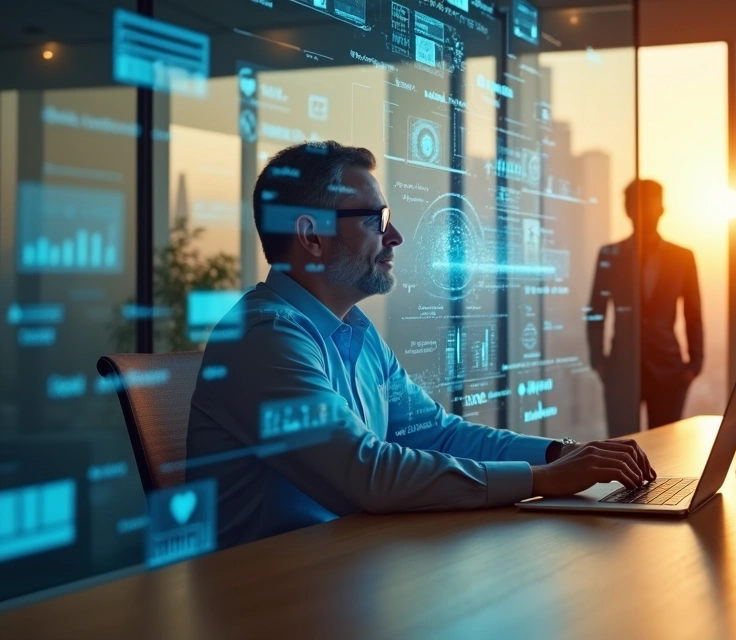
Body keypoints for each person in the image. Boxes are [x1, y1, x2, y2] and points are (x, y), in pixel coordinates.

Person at [187, 141, 656, 550]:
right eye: (375, 220)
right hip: (267, 597)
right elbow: (368, 475)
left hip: (341, 568)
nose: (394, 237)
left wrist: (560, 454)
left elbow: (438, 434)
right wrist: (543, 480)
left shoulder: (356, 333)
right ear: (312, 236)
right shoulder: (264, 337)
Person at [587, 179, 703, 436]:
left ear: (662, 209)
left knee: (666, 450)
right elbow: (596, 310)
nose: (645, 213)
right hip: (620, 369)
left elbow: (693, 314)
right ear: (627, 210)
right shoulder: (610, 254)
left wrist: (694, 365)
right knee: (621, 449)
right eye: (638, 206)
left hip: (669, 372)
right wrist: (599, 362)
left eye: (650, 206)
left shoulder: (682, 257)